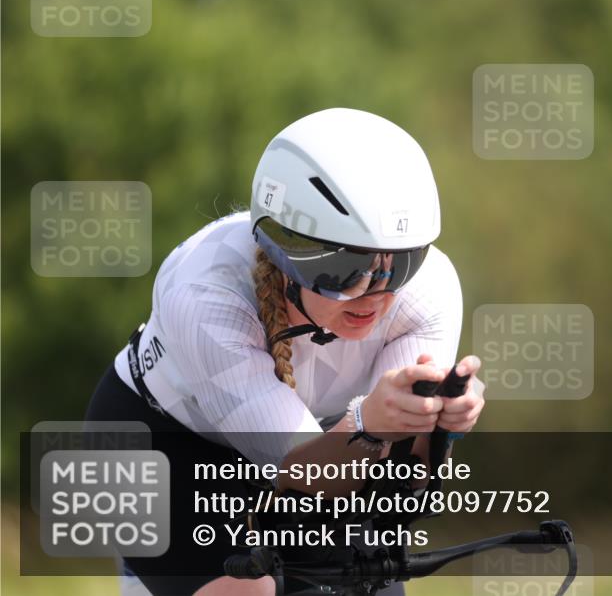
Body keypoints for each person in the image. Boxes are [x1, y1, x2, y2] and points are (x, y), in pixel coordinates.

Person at [85, 108, 486, 596]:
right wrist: (368, 425)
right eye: (346, 270)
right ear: (283, 252)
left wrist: (436, 425)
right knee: (246, 592)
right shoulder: (205, 291)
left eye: (400, 266)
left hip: (322, 451)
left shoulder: (430, 289)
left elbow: (394, 489)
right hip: (165, 443)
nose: (376, 294)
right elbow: (301, 472)